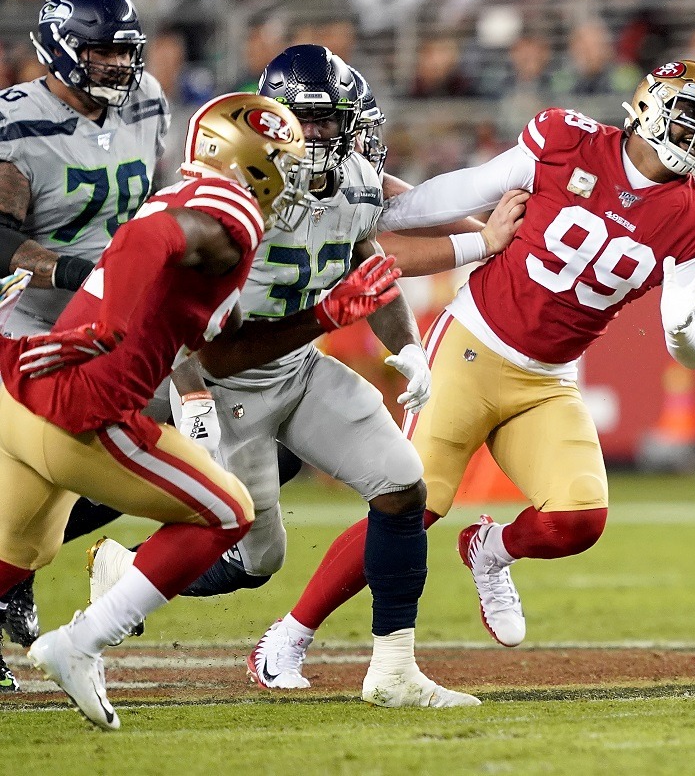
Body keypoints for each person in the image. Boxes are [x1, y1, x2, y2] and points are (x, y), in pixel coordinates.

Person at [242, 58, 695, 688]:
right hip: (473, 346)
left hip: (549, 378)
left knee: (579, 519)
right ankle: (288, 637)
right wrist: (377, 214)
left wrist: (683, 331)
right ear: (647, 104)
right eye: (688, 114)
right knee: (410, 508)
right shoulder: (569, 139)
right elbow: (466, 189)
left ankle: (490, 551)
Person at [86, 47, 525, 707]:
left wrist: (405, 346)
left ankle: (394, 672)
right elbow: (188, 320)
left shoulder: (350, 178)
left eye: (330, 121)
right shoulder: (241, 190)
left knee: (404, 484)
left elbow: (368, 254)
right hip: (227, 378)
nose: (319, 135)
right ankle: (117, 583)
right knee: (256, 560)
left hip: (299, 366)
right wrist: (205, 376)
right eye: (307, 120)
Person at [0, 91, 399, 730]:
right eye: (285, 162)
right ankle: (81, 643)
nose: (297, 178)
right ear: (253, 163)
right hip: (85, 409)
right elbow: (142, 241)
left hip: (22, 393)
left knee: (15, 554)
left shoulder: (189, 201)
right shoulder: (233, 212)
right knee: (228, 512)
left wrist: (326, 314)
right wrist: (107, 326)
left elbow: (224, 355)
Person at [0, 0, 170, 681]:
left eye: (123, 52)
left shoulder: (150, 100)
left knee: (232, 441)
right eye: (100, 52)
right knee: (38, 478)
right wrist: (83, 275)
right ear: (60, 49)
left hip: (116, 320)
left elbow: (154, 205)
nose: (117, 66)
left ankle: (17, 572)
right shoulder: (16, 120)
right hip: (30, 324)